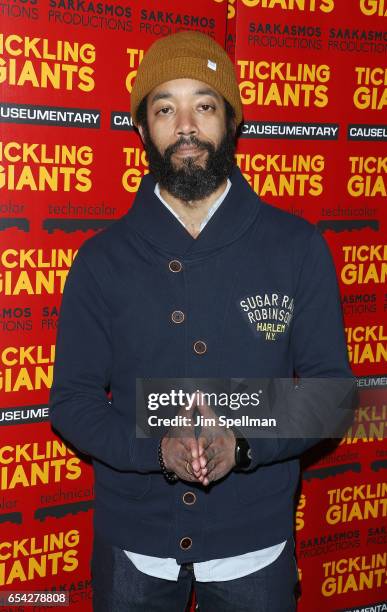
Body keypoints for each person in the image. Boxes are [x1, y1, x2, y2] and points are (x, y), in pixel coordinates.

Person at [49, 31, 355, 612]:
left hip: (255, 549)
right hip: (134, 552)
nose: (185, 125)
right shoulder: (100, 259)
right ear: (142, 128)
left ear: (231, 121)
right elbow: (72, 401)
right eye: (165, 108)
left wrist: (242, 440)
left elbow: (331, 394)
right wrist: (153, 448)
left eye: (204, 105)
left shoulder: (296, 247)